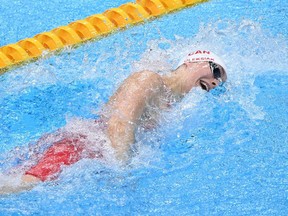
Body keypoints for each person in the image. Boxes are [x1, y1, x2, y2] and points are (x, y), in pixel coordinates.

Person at [0, 50, 227, 194]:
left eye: (220, 82)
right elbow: (119, 124)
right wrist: (123, 172)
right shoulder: (149, 80)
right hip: (80, 147)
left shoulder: (170, 102)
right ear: (192, 61)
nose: (216, 81)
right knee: (23, 184)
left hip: (92, 151)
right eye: (215, 70)